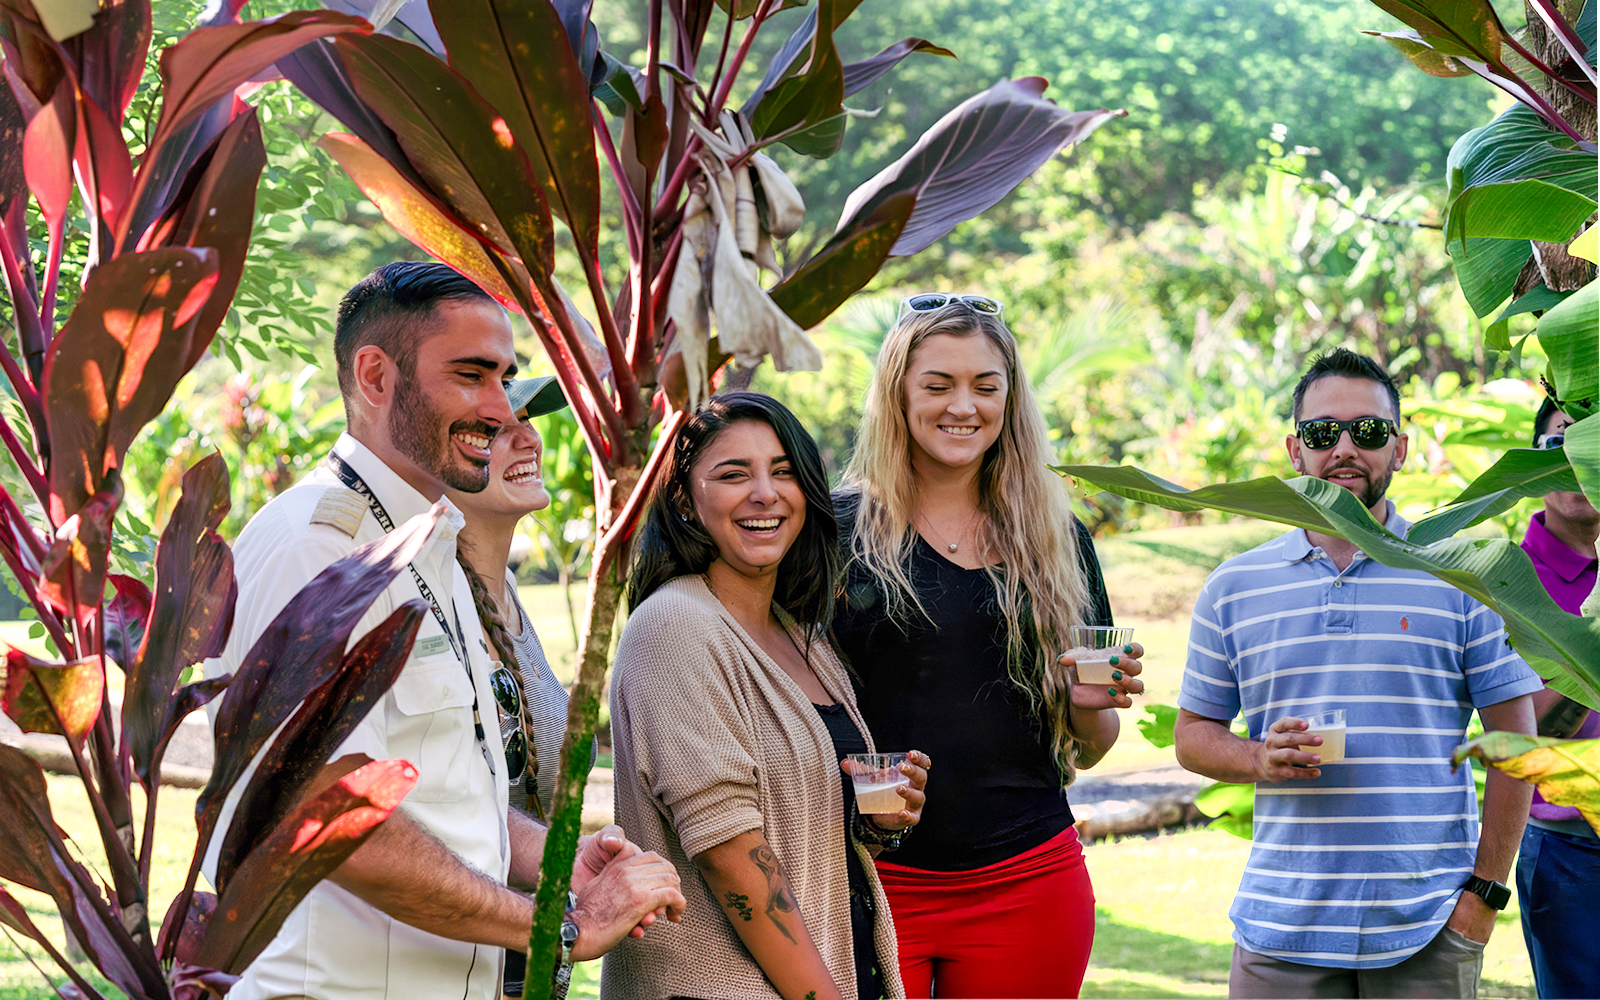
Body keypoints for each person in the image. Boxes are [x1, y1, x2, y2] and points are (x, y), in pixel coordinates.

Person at [201, 262, 685, 1000]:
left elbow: (449, 803)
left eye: (505, 376)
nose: (501, 409)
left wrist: (558, 861)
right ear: (375, 378)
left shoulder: (434, 545)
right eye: (471, 376)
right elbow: (331, 815)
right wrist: (559, 923)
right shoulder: (318, 546)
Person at [1173, 347, 1543, 999]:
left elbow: (1518, 748)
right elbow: (1192, 734)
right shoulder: (1233, 587)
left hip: (1428, 930)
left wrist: (1481, 899)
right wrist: (1258, 757)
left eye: (1368, 431)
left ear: (1399, 449)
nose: (1345, 447)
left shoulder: (1462, 578)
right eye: (1323, 432)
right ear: (1295, 450)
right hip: (1278, 933)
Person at [833, 294, 1144, 999]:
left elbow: (1090, 745)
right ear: (898, 394)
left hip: (1029, 880)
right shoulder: (835, 534)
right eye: (937, 384)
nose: (962, 406)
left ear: (1010, 397)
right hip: (870, 880)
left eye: (985, 385)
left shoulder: (1056, 541)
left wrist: (1087, 703)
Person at [603, 392, 930, 1000]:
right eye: (733, 474)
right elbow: (731, 858)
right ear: (684, 499)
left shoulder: (795, 633)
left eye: (783, 472)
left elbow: (800, 825)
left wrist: (875, 821)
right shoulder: (675, 626)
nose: (765, 493)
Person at [446, 375, 602, 998]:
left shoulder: (506, 596)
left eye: (526, 420)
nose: (528, 440)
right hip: (461, 956)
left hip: (533, 960)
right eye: (495, 429)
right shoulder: (435, 605)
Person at [1515, 397, 1599, 1000]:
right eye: (1558, 446)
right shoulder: (1509, 578)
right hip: (1570, 854)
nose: (1576, 463)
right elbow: (1538, 733)